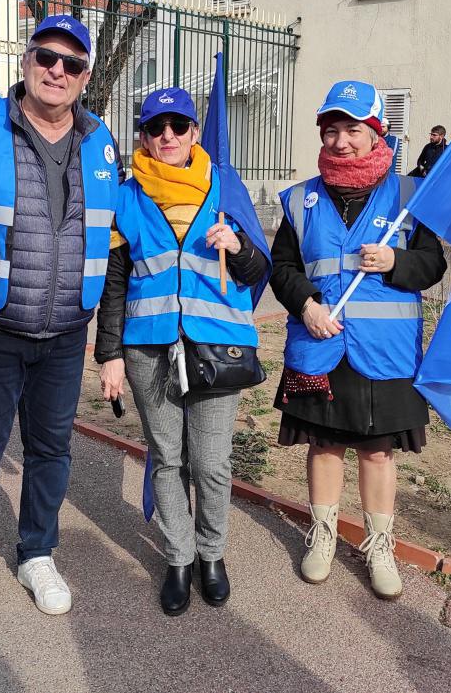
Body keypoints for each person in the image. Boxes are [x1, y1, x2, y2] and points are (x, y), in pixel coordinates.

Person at [0, 15, 122, 630]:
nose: (56, 71)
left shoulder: (101, 140)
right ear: (25, 61)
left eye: (71, 64)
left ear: (86, 76)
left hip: (67, 331)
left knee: (50, 451)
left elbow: (124, 231)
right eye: (46, 58)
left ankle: (37, 552)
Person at [269, 80, 446, 600]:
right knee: (323, 445)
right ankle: (323, 535)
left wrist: (397, 262)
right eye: (331, 130)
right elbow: (283, 267)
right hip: (319, 342)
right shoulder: (301, 199)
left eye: (352, 130)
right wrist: (305, 304)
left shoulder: (412, 196)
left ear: (377, 133)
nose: (340, 141)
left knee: (376, 453)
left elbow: (432, 263)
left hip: (384, 352)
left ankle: (379, 543)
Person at [95, 87, 269, 616]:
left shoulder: (226, 186)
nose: (166, 136)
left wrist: (237, 247)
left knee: (212, 464)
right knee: (167, 460)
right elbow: (115, 283)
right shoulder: (127, 196)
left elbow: (258, 272)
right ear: (142, 137)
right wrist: (110, 355)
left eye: (178, 125)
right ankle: (178, 557)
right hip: (149, 349)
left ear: (194, 132)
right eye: (155, 127)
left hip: (217, 350)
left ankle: (211, 556)